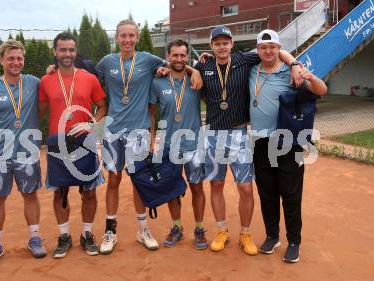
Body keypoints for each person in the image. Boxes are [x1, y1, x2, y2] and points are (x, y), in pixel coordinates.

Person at [96, 19, 203, 254]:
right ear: (116, 38)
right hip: (113, 131)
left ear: (136, 37)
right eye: (123, 36)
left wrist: (194, 70)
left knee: (139, 180)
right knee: (113, 181)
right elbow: (91, 80)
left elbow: (176, 64)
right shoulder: (106, 62)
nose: (127, 40)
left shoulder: (148, 59)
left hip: (140, 132)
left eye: (131, 35)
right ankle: (110, 231)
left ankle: (142, 229)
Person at [195, 26, 303, 255]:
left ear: (232, 44)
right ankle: (222, 230)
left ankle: (245, 233)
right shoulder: (203, 65)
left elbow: (274, 52)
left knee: (245, 188)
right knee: (216, 185)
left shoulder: (245, 59)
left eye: (226, 42)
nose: (222, 46)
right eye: (217, 43)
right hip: (214, 134)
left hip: (239, 133)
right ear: (211, 46)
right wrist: (192, 69)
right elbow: (189, 75)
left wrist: (294, 64)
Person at [249, 29, 327, 262]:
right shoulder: (251, 70)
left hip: (288, 143)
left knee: (291, 196)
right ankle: (273, 236)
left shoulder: (291, 71)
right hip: (260, 143)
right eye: (263, 47)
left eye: (272, 47)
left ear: (279, 47)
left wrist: (305, 73)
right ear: (258, 50)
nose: (268, 51)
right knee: (267, 194)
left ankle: (294, 241)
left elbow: (322, 91)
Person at [0, 39, 46, 268]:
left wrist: (52, 70)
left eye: (19, 58)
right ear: (1, 60)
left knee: (30, 195)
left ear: (24, 60)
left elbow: (53, 86)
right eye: (11, 58)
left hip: (28, 151)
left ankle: (34, 238)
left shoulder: (34, 83)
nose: (16, 62)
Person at [39, 32, 107, 257]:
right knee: (60, 193)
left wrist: (92, 126)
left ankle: (87, 234)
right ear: (55, 52)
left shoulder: (89, 78)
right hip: (58, 142)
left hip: (85, 141)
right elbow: (38, 111)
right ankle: (64, 236)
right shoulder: (46, 80)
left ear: (75, 52)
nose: (67, 54)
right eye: (62, 50)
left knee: (88, 191)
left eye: (71, 50)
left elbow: (102, 107)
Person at [149, 39, 207, 250]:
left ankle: (199, 229)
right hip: (167, 146)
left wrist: (196, 70)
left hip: (194, 145)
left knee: (197, 187)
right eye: (175, 55)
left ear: (187, 58)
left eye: (183, 55)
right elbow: (151, 115)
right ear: (168, 56)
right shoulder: (158, 82)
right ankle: (177, 227)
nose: (179, 59)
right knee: (172, 188)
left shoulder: (196, 79)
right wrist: (152, 140)